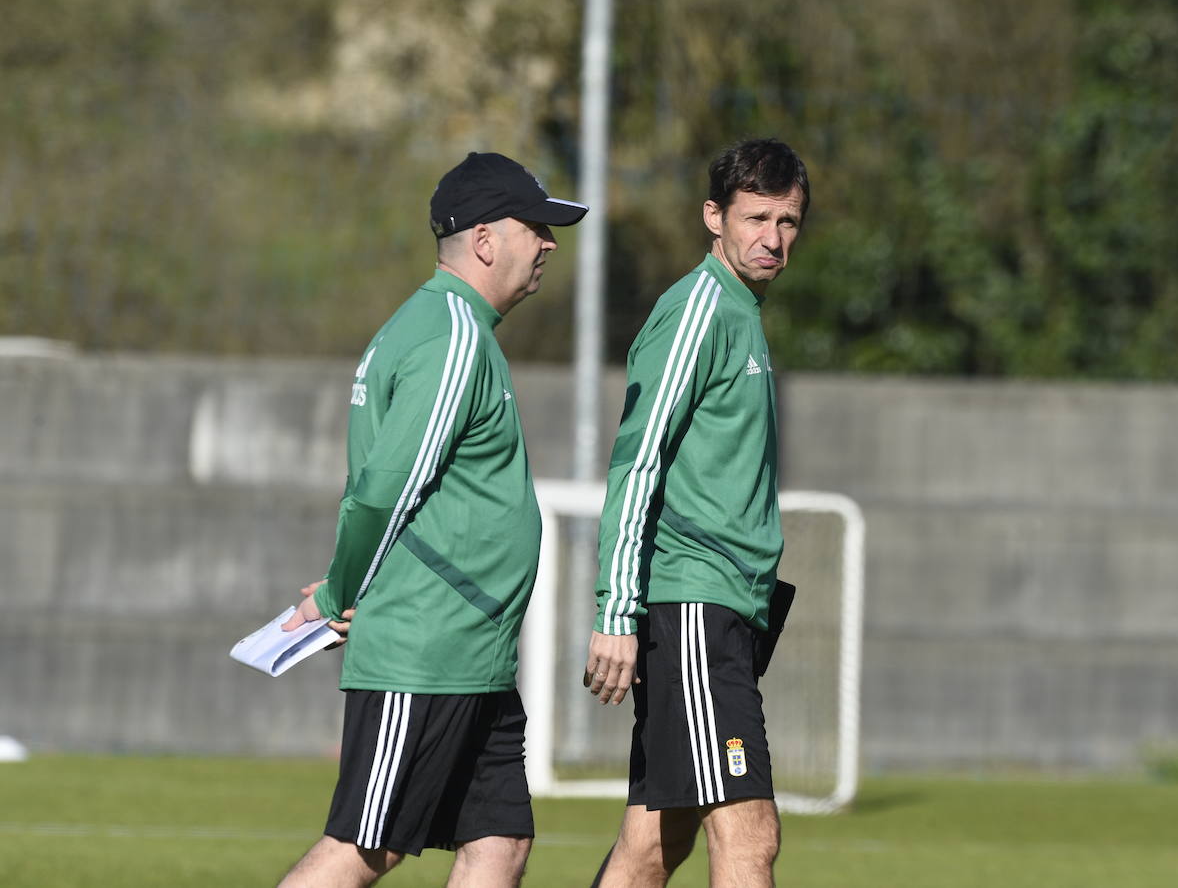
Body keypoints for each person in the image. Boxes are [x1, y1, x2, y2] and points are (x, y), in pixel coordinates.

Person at [275, 151, 587, 888]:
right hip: (429, 647)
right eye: (535, 227)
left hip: (471, 653)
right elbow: (383, 488)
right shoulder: (451, 332)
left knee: (501, 841)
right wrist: (337, 593)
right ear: (484, 240)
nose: (549, 243)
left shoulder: (451, 327)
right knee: (362, 848)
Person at [582, 138, 810, 888]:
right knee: (750, 834)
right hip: (694, 603)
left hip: (726, 612)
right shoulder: (699, 310)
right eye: (755, 218)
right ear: (714, 216)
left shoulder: (743, 312)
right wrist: (617, 609)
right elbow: (637, 462)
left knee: (656, 840)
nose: (772, 238)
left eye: (788, 221)